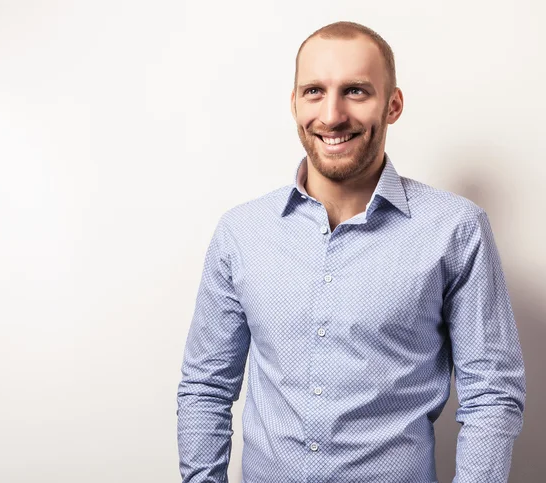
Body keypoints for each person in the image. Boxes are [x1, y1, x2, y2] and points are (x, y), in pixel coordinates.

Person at [176, 21, 525, 483]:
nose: (332, 115)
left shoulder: (456, 230)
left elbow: (492, 396)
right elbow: (206, 388)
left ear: (393, 104)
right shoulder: (242, 232)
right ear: (295, 103)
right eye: (314, 91)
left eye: (356, 91)